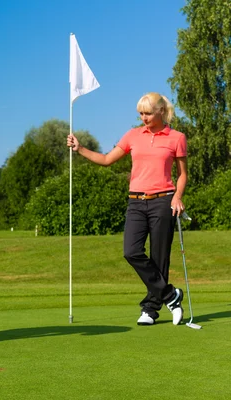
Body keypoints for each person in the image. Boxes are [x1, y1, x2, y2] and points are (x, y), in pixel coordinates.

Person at [67, 92, 187, 326]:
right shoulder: (133, 135)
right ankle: (171, 295)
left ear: (161, 111)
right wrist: (79, 149)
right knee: (131, 251)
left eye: (148, 113)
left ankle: (151, 309)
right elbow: (107, 159)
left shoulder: (176, 137)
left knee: (159, 257)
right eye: (141, 113)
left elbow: (183, 174)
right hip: (136, 202)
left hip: (164, 200)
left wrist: (178, 197)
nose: (144, 117)